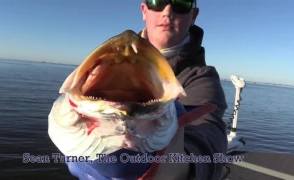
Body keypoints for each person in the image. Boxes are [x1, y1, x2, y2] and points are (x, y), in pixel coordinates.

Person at [48, 0, 228, 179]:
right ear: (144, 10)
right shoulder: (104, 59)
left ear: (193, 15)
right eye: (157, 2)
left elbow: (210, 137)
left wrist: (175, 167)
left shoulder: (201, 78)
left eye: (181, 3)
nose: (167, 11)